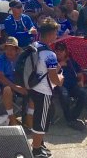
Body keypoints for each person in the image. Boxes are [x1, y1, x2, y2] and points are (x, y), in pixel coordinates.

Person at [29, 18, 63, 158]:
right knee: (41, 122)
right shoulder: (50, 54)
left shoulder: (34, 46)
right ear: (49, 34)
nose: (56, 36)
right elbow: (55, 79)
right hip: (44, 91)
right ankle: (36, 151)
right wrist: (61, 78)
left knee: (38, 118)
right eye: (55, 33)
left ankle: (38, 145)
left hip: (33, 88)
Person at [0, 37, 28, 126]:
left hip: (20, 83)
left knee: (33, 89)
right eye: (7, 49)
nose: (9, 51)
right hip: (4, 85)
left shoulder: (21, 60)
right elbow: (0, 77)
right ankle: (12, 118)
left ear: (17, 50)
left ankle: (28, 119)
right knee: (7, 89)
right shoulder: (0, 59)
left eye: (12, 49)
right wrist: (16, 87)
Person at [53, 41, 87, 131]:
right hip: (59, 86)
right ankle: (69, 119)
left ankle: (73, 116)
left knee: (84, 94)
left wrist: (81, 82)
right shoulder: (52, 61)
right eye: (57, 50)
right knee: (64, 94)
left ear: (65, 51)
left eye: (61, 50)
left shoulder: (72, 62)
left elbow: (80, 74)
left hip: (73, 86)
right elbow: (50, 75)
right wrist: (59, 65)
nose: (59, 52)